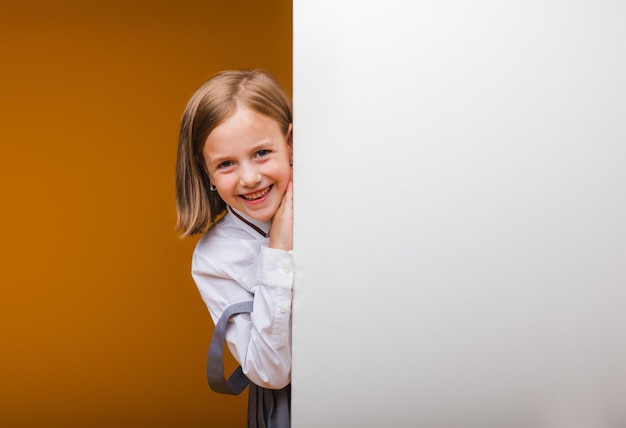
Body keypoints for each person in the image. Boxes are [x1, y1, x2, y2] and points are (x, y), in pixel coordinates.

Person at [175, 69, 293, 427]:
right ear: (206, 173)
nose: (249, 178)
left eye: (261, 153)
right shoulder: (215, 259)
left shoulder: (341, 205)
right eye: (226, 164)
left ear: (290, 143)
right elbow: (271, 372)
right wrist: (278, 249)